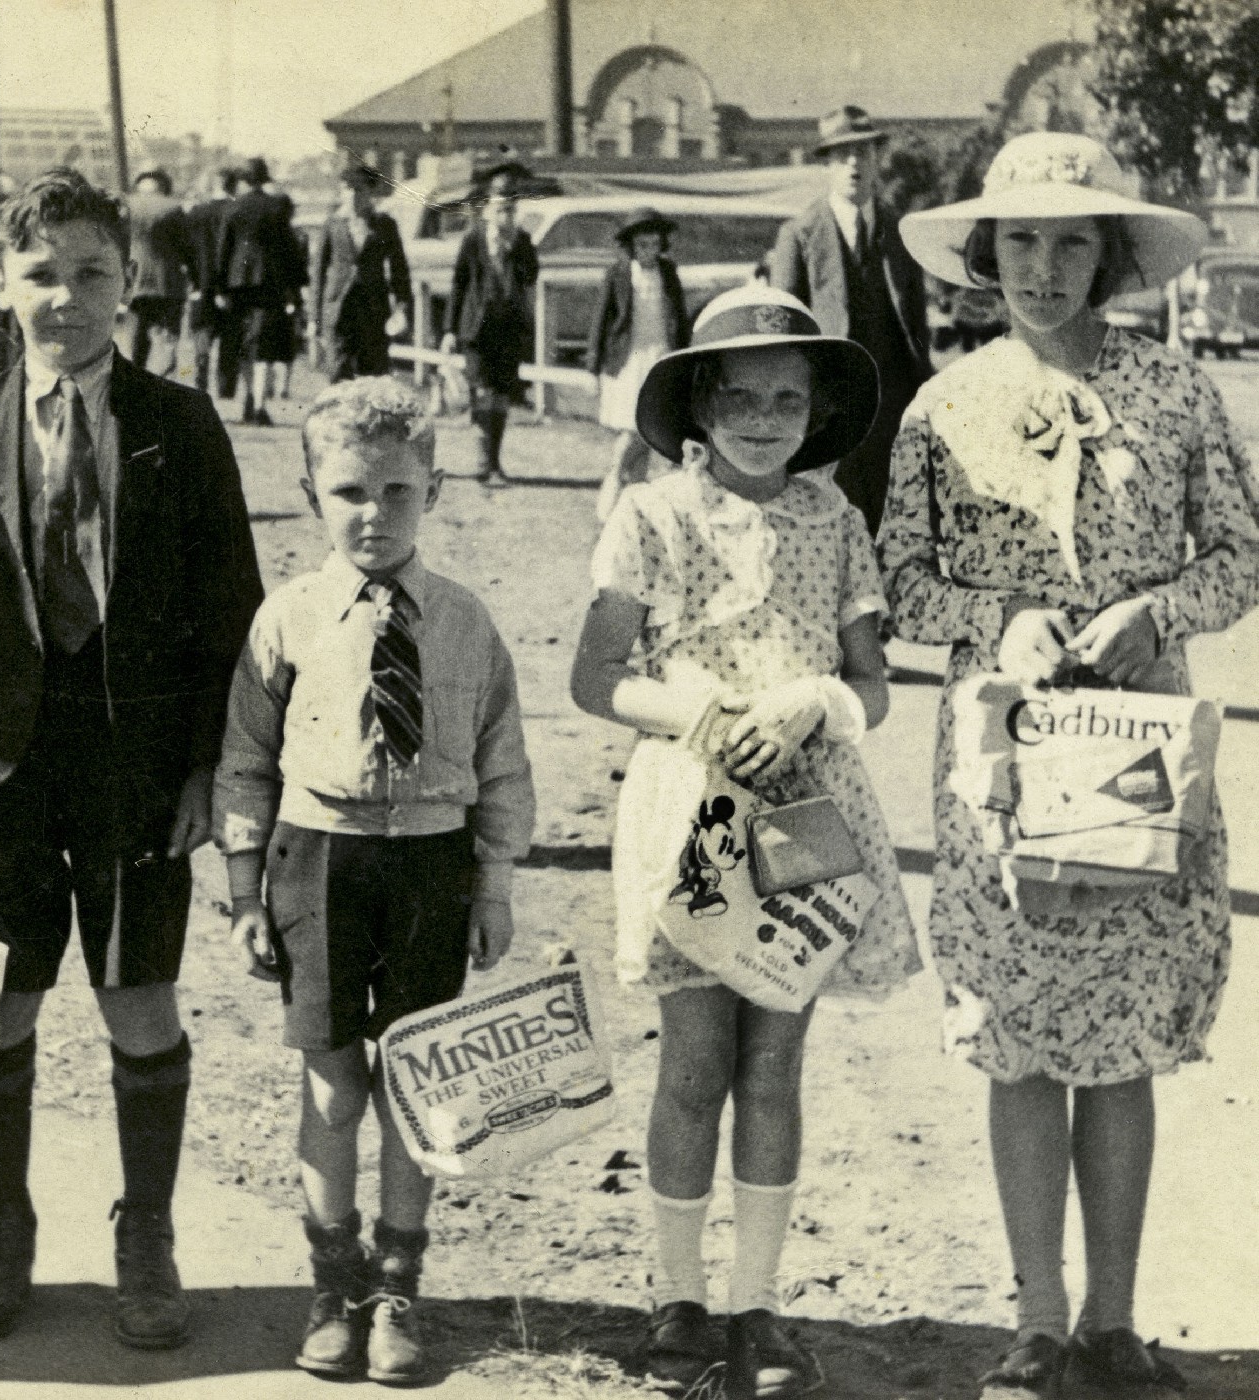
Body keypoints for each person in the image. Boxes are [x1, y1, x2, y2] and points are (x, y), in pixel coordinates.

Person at [879, 131, 1259, 1399]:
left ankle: (1112, 1317)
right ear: (985, 255)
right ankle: (1033, 1319)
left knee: (1121, 1039)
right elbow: (901, 579)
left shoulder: (1173, 389)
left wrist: (1153, 609)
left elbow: (1240, 557)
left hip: (1139, 750)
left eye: (1069, 242)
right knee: (1019, 1035)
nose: (1042, 268)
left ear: (1109, 256)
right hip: (999, 756)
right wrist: (1000, 617)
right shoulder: (942, 402)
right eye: (1021, 241)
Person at [0, 167, 264, 1350]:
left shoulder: (181, 425)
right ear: (2, 288)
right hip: (2, 765)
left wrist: (211, 767)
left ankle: (144, 1230)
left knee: (138, 997)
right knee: (1, 1007)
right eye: (40, 275)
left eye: (92, 273)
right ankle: (3, 1224)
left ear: (131, 283)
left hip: (140, 769)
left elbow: (231, 613)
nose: (67, 297)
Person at [570, 284, 920, 1399]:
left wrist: (816, 697)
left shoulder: (834, 521)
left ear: (814, 410)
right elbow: (594, 675)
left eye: (785, 396)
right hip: (689, 809)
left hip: (806, 813)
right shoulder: (651, 514)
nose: (763, 417)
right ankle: (676, 1296)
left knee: (773, 1063)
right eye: (740, 395)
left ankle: (755, 1302)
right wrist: (697, 714)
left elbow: (873, 683)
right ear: (697, 401)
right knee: (692, 1063)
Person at [213, 377, 535, 1384]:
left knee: (414, 1079)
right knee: (331, 1078)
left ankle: (398, 1284)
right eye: (349, 490)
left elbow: (501, 757)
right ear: (312, 491)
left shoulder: (465, 621)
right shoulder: (290, 616)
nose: (373, 514)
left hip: (431, 859)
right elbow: (244, 760)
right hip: (318, 856)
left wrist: (492, 883)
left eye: (396, 491)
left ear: (431, 489)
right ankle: (332, 1278)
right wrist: (240, 889)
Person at [768, 105, 932, 535]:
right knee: (827, 522)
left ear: (879, 158)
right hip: (829, 412)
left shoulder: (902, 232)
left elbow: (917, 328)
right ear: (826, 164)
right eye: (842, 155)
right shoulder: (800, 236)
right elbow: (780, 335)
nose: (855, 164)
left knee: (894, 526)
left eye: (863, 152)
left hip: (893, 410)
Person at [586, 207, 690, 522]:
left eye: (654, 245)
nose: (648, 252)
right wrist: (593, 367)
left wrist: (683, 358)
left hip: (660, 357)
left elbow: (679, 318)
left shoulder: (668, 273)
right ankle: (615, 476)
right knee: (632, 429)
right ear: (631, 245)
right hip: (628, 360)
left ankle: (633, 505)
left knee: (650, 430)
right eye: (642, 245)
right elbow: (600, 322)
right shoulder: (617, 274)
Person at [441, 167, 539, 484]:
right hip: (476, 331)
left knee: (500, 396)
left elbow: (531, 277)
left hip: (507, 331)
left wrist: (512, 251)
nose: (505, 215)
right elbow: (458, 285)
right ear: (487, 209)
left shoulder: (522, 242)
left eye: (511, 209)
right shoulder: (473, 241)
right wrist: (449, 330)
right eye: (500, 209)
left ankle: (495, 461)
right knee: (481, 392)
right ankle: (483, 461)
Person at [217, 155, 307, 425]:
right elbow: (290, 250)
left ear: (243, 180)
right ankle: (258, 403)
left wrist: (219, 288)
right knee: (264, 344)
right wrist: (296, 287)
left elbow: (223, 250)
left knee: (243, 342)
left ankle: (249, 398)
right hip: (270, 282)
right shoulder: (276, 207)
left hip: (237, 283)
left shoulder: (233, 209)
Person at [315, 163, 412, 383]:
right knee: (338, 372)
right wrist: (315, 317)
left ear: (370, 193)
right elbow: (318, 272)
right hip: (337, 310)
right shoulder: (332, 224)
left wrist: (402, 306)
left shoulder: (385, 225)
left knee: (373, 375)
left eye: (358, 190)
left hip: (373, 310)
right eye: (347, 189)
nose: (352, 196)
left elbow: (399, 270)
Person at [122, 167, 193, 377]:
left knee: (136, 340)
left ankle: (135, 382)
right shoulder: (174, 207)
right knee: (168, 340)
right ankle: (161, 383)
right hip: (168, 282)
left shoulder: (126, 207)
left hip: (135, 281)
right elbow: (187, 247)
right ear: (163, 184)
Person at [185, 165, 241, 398]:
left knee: (202, 335)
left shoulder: (197, 212)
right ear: (234, 185)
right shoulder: (237, 211)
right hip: (231, 285)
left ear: (214, 184)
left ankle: (200, 381)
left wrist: (193, 281)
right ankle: (226, 389)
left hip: (201, 283)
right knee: (230, 339)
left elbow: (187, 250)